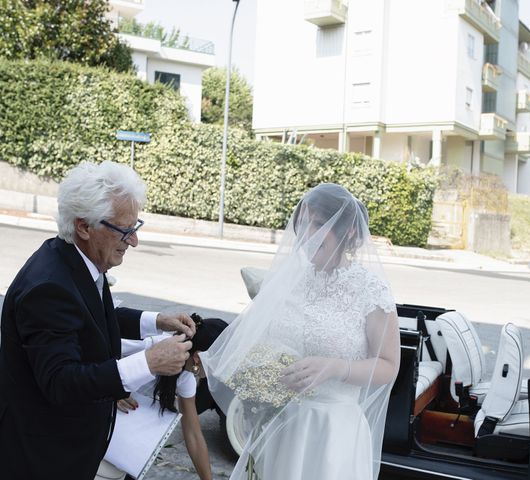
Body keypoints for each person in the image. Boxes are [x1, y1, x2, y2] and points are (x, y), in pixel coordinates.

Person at [0, 161, 196, 480]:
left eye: (136, 227)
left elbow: (90, 316)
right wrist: (148, 363)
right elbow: (60, 381)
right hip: (42, 457)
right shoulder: (49, 287)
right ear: (84, 226)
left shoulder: (74, 257)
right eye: (124, 230)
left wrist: (156, 320)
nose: (133, 241)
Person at [200, 183, 401, 479]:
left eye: (320, 224)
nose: (309, 234)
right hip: (281, 426)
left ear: (349, 232)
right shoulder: (288, 281)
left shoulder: (370, 291)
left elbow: (388, 365)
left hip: (332, 432)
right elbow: (255, 342)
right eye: (303, 224)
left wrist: (336, 368)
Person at [116, 315, 228, 480]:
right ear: (198, 358)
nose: (219, 373)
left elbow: (194, 434)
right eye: (220, 364)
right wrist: (113, 389)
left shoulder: (185, 376)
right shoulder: (149, 345)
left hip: (120, 439)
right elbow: (92, 349)